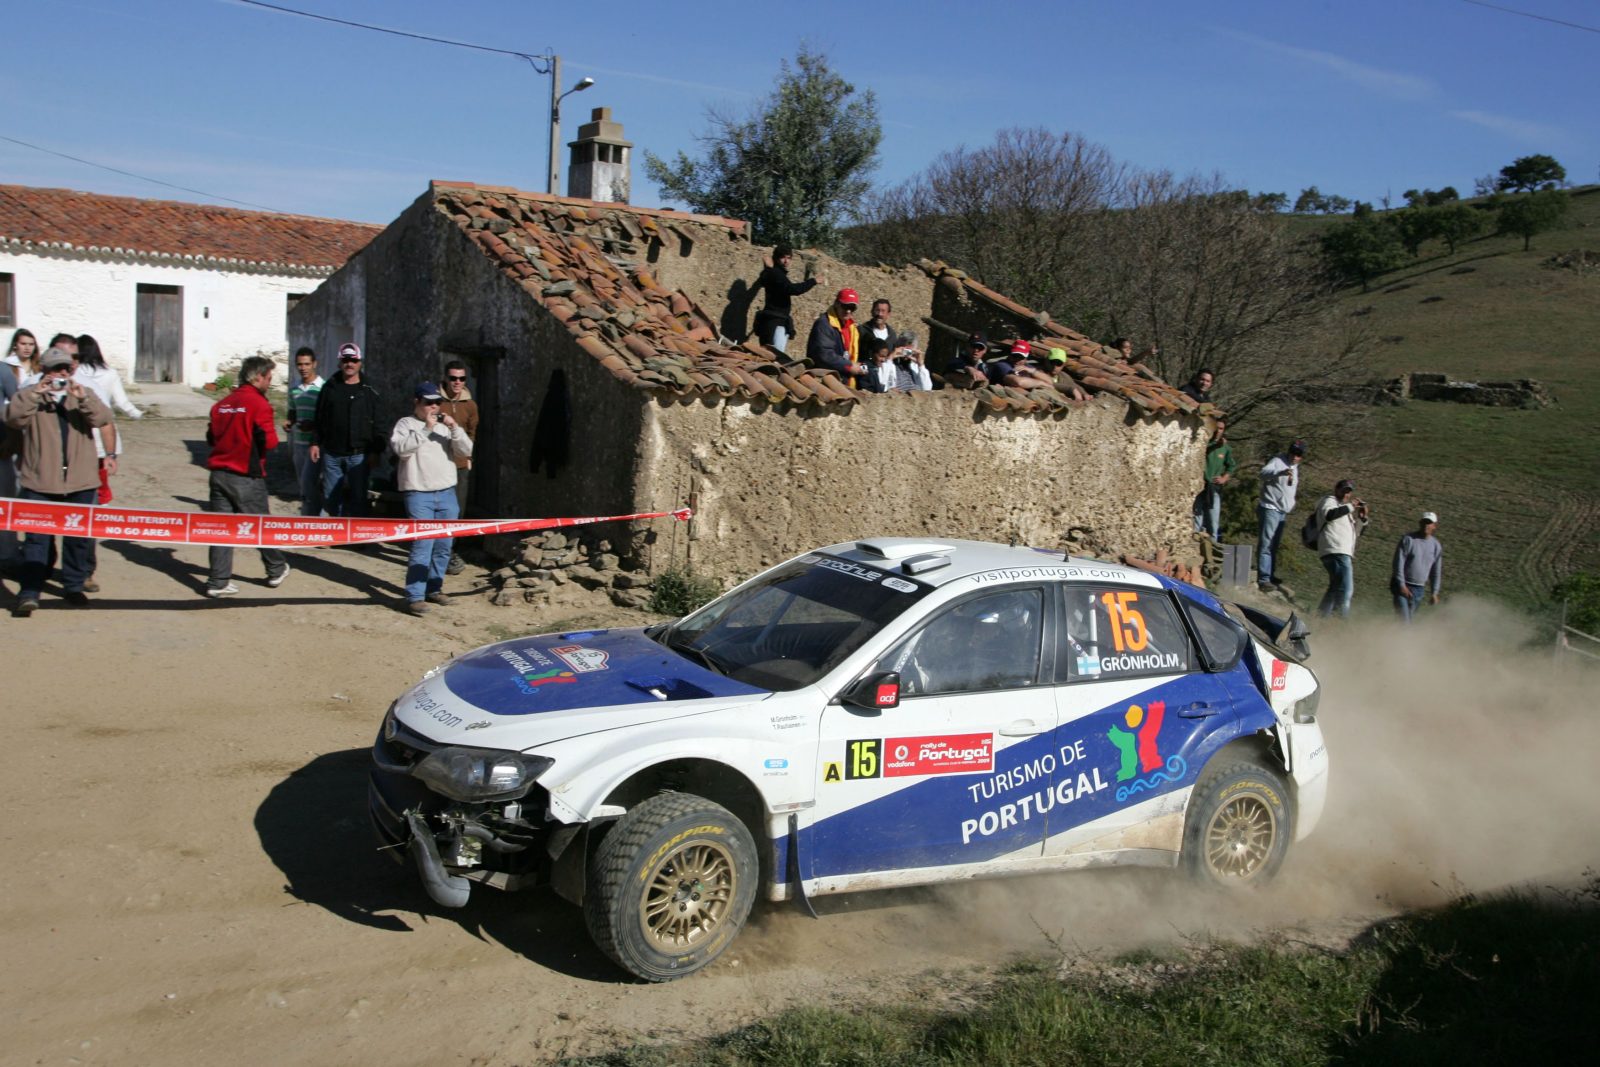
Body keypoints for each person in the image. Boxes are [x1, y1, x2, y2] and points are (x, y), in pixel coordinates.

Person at [5, 347, 111, 615]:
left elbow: (103, 418)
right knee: (36, 540)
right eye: (55, 369)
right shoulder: (30, 394)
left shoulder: (83, 393)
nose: (61, 373)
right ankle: (30, 592)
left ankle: (73, 586)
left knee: (78, 539)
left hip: (80, 481)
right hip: (40, 481)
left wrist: (83, 398)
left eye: (65, 368)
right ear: (44, 371)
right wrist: (36, 392)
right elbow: (13, 418)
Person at [203, 356, 290, 598]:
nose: (270, 383)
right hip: (246, 475)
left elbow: (211, 438)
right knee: (260, 526)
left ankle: (218, 581)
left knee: (221, 530)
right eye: (269, 378)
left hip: (218, 474)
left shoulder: (221, 404)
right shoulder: (258, 404)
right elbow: (271, 442)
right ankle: (276, 568)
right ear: (258, 377)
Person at [391, 382, 473, 615]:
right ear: (417, 402)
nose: (434, 407)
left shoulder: (444, 427)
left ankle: (434, 588)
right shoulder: (406, 424)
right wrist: (426, 429)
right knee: (422, 545)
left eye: (438, 402)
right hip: (419, 493)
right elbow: (401, 450)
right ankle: (415, 596)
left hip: (446, 492)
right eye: (429, 403)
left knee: (444, 545)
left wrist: (454, 427)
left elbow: (466, 451)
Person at [310, 342, 383, 518]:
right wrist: (314, 442)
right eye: (345, 360)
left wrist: (376, 451)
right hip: (332, 453)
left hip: (359, 455)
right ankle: (331, 532)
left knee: (359, 499)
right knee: (330, 499)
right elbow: (319, 417)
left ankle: (356, 533)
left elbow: (379, 422)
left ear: (360, 362)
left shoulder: (370, 390)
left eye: (353, 360)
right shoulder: (329, 387)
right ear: (339, 362)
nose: (349, 364)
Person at [438, 360, 479, 574]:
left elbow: (472, 432)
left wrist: (469, 456)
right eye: (453, 378)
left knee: (457, 510)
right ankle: (437, 551)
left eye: (462, 378)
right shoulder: (435, 401)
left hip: (461, 465)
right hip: (438, 463)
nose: (457, 382)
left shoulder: (470, 405)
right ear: (446, 378)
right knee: (438, 509)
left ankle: (450, 551)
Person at [1312, 479, 1369, 618]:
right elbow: (1329, 515)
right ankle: (1340, 620)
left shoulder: (1344, 509)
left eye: (1348, 492)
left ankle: (1321, 617)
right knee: (1346, 589)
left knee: (1335, 587)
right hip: (1335, 549)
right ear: (1336, 489)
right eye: (1343, 490)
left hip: (1340, 550)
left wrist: (1362, 519)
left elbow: (1355, 533)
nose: (1345, 494)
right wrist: (1351, 506)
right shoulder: (1329, 501)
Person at [750, 246, 821, 354]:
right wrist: (813, 281)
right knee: (776, 357)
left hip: (770, 322)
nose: (786, 261)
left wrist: (768, 268)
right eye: (783, 257)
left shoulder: (772, 273)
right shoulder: (776, 274)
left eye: (789, 258)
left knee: (767, 356)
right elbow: (792, 289)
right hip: (776, 323)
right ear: (776, 258)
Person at [1256, 439, 1306, 592]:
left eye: (1298, 454)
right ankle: (1264, 579)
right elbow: (1263, 474)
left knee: (1274, 545)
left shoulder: (1295, 467)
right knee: (1266, 544)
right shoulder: (1277, 461)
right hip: (1270, 508)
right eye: (1293, 452)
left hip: (1282, 512)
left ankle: (1270, 574)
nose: (1295, 456)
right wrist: (1279, 472)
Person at [285, 346, 323, 515]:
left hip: (317, 445)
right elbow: (293, 411)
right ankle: (308, 519)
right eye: (300, 364)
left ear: (314, 364)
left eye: (307, 364)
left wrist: (313, 425)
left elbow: (327, 417)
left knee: (313, 485)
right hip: (299, 444)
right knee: (303, 485)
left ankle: (313, 519)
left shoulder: (323, 388)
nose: (303, 368)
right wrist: (289, 421)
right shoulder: (294, 388)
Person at [805, 288, 867, 385]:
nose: (848, 311)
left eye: (852, 307)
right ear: (837, 304)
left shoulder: (851, 327)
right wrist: (849, 366)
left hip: (842, 379)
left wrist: (859, 366)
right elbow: (824, 355)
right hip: (824, 380)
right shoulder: (824, 324)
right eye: (845, 306)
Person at [1393, 512, 1443, 622]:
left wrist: (1434, 593)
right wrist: (1402, 585)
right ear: (1420, 523)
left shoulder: (1436, 546)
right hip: (1402, 587)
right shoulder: (1408, 540)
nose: (1426, 525)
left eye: (1429, 523)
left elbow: (1436, 571)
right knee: (1405, 621)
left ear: (1434, 526)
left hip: (1419, 589)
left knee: (1408, 620)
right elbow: (1398, 563)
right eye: (1424, 522)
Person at [1193, 419, 1235, 540]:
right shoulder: (1203, 444)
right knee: (1197, 517)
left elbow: (1231, 465)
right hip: (1200, 486)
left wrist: (1224, 478)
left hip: (1214, 487)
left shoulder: (1226, 448)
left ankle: (1213, 545)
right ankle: (1195, 543)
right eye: (1216, 428)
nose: (1218, 431)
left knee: (1213, 519)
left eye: (1221, 428)